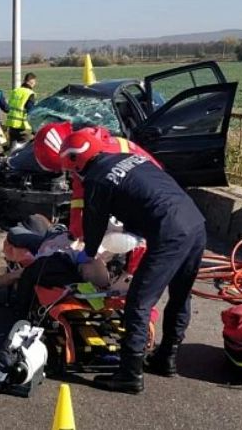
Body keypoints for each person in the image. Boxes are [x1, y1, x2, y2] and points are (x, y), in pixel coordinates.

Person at [58, 128, 207, 394]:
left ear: (76, 160)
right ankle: (167, 359)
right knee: (180, 295)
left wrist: (88, 254)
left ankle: (129, 374)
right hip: (195, 223)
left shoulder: (97, 178)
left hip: (169, 232)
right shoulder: (130, 158)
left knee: (139, 302)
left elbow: (93, 225)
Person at [33, 122, 161, 241]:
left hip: (151, 200)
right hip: (146, 189)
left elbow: (95, 203)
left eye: (64, 167)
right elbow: (79, 195)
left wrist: (85, 240)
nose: (67, 172)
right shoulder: (85, 149)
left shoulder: (100, 157)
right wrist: (75, 232)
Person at [4, 72, 37, 147]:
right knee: (23, 151)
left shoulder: (15, 91)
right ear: (31, 81)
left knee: (12, 149)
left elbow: (9, 106)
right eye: (34, 82)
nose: (35, 84)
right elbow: (31, 111)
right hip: (23, 127)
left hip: (12, 125)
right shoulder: (30, 93)